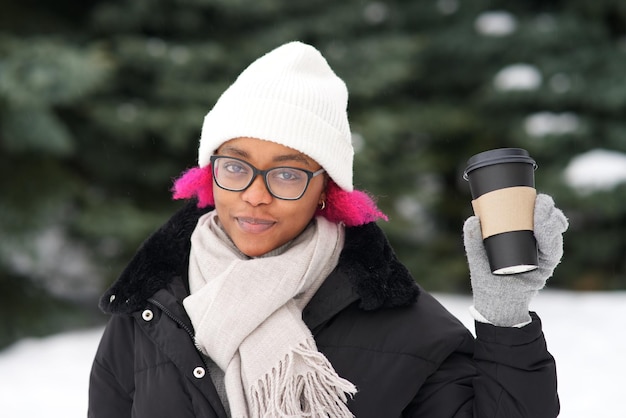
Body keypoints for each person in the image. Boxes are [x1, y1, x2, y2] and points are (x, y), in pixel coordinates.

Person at [88, 41, 568, 417]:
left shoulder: (402, 322)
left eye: (288, 174)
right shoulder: (146, 314)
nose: (256, 194)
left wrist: (506, 318)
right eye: (235, 166)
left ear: (326, 190)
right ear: (208, 174)